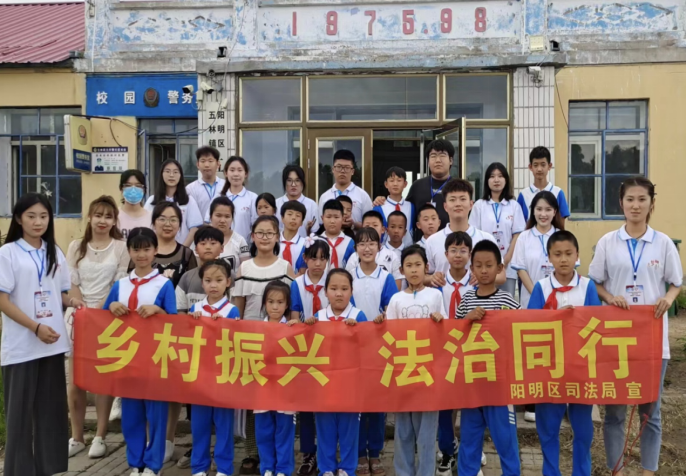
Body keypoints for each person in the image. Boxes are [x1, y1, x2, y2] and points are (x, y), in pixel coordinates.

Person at [588, 176, 683, 476]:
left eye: (642, 199)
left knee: (650, 412)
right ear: (621, 203)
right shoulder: (608, 242)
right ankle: (615, 469)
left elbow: (676, 283)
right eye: (630, 199)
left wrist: (668, 298)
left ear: (652, 203)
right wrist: (609, 297)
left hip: (652, 341)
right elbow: (595, 283)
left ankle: (648, 471)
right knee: (615, 412)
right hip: (616, 340)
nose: (636, 205)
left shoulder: (663, 243)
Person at [0, 193, 85, 475]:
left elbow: (59, 292)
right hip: (22, 346)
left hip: (52, 343)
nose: (38, 222)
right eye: (31, 216)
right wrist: (35, 327)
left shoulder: (53, 251)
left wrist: (72, 301)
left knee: (51, 414)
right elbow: (3, 300)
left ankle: (49, 469)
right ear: (18, 219)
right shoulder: (8, 253)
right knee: (20, 417)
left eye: (44, 216)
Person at [103, 227, 177, 476]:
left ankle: (154, 465)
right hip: (127, 359)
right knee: (131, 415)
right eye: (136, 249)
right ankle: (136, 463)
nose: (142, 254)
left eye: (147, 249)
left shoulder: (164, 284)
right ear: (129, 251)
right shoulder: (120, 285)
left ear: (155, 251)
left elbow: (175, 323)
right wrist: (111, 305)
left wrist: (158, 311)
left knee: (156, 415)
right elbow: (101, 320)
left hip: (155, 359)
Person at [527, 230, 600, 476]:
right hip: (550, 367)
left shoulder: (588, 286)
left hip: (581, 367)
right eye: (557, 254)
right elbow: (531, 325)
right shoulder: (541, 287)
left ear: (577, 255)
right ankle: (551, 472)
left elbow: (596, 324)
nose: (563, 259)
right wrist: (557, 318)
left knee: (583, 429)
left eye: (569, 253)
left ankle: (582, 472)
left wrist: (575, 321)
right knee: (548, 428)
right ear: (549, 257)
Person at [66, 196, 128, 459]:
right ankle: (77, 436)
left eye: (108, 216)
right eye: (98, 215)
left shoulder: (121, 247)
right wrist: (79, 305)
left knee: (103, 378)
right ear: (89, 217)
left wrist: (97, 312)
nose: (102, 221)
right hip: (77, 316)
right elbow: (71, 282)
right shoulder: (75, 246)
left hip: (106, 318)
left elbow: (118, 284)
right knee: (75, 381)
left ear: (114, 221)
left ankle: (100, 436)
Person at [233, 216, 295, 475]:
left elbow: (292, 305)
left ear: (277, 236)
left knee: (280, 407)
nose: (265, 237)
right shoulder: (244, 268)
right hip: (252, 344)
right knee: (256, 406)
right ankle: (255, 455)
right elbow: (238, 306)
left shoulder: (285, 266)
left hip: (281, 346)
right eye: (260, 232)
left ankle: (282, 464)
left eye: (270, 233)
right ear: (253, 236)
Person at [456, 240, 521, 476]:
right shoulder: (466, 300)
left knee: (505, 439)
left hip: (500, 384)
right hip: (472, 383)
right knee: (469, 438)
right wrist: (467, 319)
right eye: (479, 265)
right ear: (471, 268)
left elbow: (522, 331)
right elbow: (454, 335)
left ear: (500, 268)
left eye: (489, 265)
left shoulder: (508, 301)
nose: (484, 270)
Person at [382, 245, 445, 476]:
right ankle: (403, 472)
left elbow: (446, 329)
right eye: (409, 266)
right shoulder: (396, 299)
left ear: (426, 267)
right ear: (401, 270)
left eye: (418, 265)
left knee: (427, 431)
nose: (414, 270)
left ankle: (426, 472)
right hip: (404, 371)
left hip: (428, 371)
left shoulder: (436, 295)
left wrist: (440, 319)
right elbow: (389, 334)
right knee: (403, 430)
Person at [305, 269, 367, 476]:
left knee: (349, 430)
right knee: (325, 428)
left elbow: (368, 347)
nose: (339, 293)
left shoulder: (358, 316)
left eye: (344, 289)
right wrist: (306, 327)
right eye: (333, 288)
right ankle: (327, 468)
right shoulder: (318, 317)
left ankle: (347, 468)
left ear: (351, 291)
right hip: (324, 384)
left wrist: (358, 330)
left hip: (351, 385)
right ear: (325, 292)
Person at [172, 225, 225, 469]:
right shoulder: (187, 277)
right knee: (196, 408)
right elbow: (179, 313)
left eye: (213, 243)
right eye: (203, 243)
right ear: (196, 248)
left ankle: (221, 456)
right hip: (195, 355)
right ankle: (198, 453)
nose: (208, 247)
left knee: (221, 408)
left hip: (222, 356)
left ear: (222, 247)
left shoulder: (228, 276)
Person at [351, 228, 397, 476]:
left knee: (378, 404)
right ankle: (359, 453)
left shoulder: (386, 277)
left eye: (372, 244)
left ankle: (376, 453)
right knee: (357, 403)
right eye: (362, 244)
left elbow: (392, 308)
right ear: (356, 248)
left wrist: (384, 317)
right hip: (354, 347)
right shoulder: (349, 276)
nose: (367, 248)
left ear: (379, 248)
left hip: (380, 347)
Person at [188, 259, 239, 476]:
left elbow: (236, 341)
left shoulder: (231, 310)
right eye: (208, 280)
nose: (213, 285)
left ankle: (224, 468)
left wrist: (225, 325)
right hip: (200, 376)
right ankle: (199, 466)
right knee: (199, 425)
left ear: (228, 282)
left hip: (223, 375)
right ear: (202, 283)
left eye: (218, 280)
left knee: (223, 425)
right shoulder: (195, 309)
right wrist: (191, 321)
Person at [435, 231, 475, 476]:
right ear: (445, 254)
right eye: (453, 250)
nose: (458, 255)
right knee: (446, 403)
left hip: (471, 349)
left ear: (470, 254)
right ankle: (447, 448)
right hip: (444, 349)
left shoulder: (478, 282)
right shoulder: (437, 284)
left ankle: (471, 450)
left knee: (470, 402)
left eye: (463, 250)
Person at [289, 239, 330, 476]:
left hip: (328, 350)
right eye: (313, 258)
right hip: (305, 350)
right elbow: (294, 313)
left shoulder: (333, 281)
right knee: (305, 405)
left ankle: (326, 452)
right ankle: (308, 453)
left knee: (326, 403)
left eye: (323, 258)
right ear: (305, 259)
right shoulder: (296, 284)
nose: (317, 263)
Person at [255, 281, 299, 476]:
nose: (275, 307)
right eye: (271, 301)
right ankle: (267, 467)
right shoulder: (255, 329)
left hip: (285, 390)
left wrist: (298, 328)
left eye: (280, 302)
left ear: (287, 304)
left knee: (284, 431)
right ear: (264, 303)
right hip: (262, 389)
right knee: (263, 430)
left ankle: (283, 469)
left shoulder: (293, 328)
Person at [424, 179, 502, 286]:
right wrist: (431, 279)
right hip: (443, 296)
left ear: (471, 204)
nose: (458, 204)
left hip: (477, 296)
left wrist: (483, 277)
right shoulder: (432, 241)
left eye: (462, 199)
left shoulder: (486, 239)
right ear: (445, 206)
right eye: (452, 200)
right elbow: (422, 276)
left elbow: (501, 275)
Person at [469, 162, 526, 296]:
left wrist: (505, 260)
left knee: (505, 303)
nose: (496, 180)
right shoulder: (479, 205)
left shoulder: (514, 205)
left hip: (508, 267)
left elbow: (517, 236)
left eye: (500, 176)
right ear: (486, 181)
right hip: (484, 266)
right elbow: (473, 234)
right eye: (492, 176)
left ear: (506, 180)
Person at [374, 139, 454, 232]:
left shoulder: (458, 187)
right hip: (421, 240)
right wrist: (381, 200)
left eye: (442, 155)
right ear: (428, 161)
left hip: (451, 239)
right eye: (433, 156)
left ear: (451, 160)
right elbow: (403, 207)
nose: (438, 160)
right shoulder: (417, 186)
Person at [511, 190, 566, 310]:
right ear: (533, 211)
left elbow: (568, 268)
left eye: (548, 209)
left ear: (554, 211)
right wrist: (538, 295)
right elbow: (521, 270)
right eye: (539, 209)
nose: (543, 214)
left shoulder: (563, 237)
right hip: (531, 300)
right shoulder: (524, 237)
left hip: (559, 299)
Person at [144, 159, 203, 247]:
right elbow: (146, 227)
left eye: (175, 172)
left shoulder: (188, 200)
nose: (171, 175)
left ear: (180, 175)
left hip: (182, 248)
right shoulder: (152, 200)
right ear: (161, 174)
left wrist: (182, 250)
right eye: (167, 171)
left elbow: (194, 228)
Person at [345, 210, 402, 289]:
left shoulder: (392, 256)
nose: (371, 228)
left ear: (383, 229)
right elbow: (346, 283)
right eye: (367, 226)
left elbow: (396, 287)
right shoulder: (354, 257)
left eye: (375, 225)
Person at [318, 149, 373, 229]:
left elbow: (370, 226)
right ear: (333, 169)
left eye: (347, 168)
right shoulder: (324, 197)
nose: (342, 171)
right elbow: (321, 224)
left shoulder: (363, 196)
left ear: (352, 171)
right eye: (339, 167)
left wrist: (354, 225)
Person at [210, 156, 258, 242]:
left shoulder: (253, 198)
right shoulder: (218, 197)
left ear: (246, 174)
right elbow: (209, 222)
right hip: (219, 246)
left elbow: (256, 225)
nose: (236, 174)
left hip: (244, 246)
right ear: (226, 173)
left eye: (240, 170)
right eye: (232, 170)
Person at [150, 202, 198, 288]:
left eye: (173, 220)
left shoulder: (186, 254)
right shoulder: (144, 251)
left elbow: (193, 287)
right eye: (162, 219)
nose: (167, 224)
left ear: (179, 225)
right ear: (154, 223)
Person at [516, 146, 570, 222]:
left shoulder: (558, 192)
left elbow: (561, 225)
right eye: (535, 165)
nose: (539, 169)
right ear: (530, 167)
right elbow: (519, 223)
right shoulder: (523, 195)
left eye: (543, 165)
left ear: (549, 166)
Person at [208, 197, 250, 285]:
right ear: (210, 216)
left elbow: (246, 269)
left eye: (227, 216)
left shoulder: (240, 241)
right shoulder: (202, 239)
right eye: (218, 215)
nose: (222, 220)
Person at [373, 166, 414, 247]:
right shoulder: (378, 207)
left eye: (399, 180)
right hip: (385, 249)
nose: (395, 184)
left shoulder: (411, 206)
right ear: (386, 184)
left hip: (408, 249)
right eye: (392, 181)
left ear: (405, 184)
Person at [276, 164, 319, 238]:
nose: (293, 185)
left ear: (302, 182)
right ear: (284, 182)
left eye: (297, 180)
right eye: (289, 180)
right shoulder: (276, 204)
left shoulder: (312, 205)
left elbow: (315, 233)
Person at [186, 145, 225, 218]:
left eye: (210, 161)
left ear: (218, 164)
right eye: (203, 161)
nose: (206, 165)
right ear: (198, 164)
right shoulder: (190, 189)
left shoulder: (226, 186)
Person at [316, 200, 355, 269]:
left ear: (343, 219)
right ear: (322, 218)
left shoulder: (350, 242)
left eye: (336, 217)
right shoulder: (316, 241)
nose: (332, 221)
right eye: (328, 217)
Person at [118, 169, 152, 240]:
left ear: (144, 190)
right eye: (128, 185)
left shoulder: (152, 218)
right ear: (121, 189)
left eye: (138, 185)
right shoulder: (114, 216)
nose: (133, 189)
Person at [279, 200, 308, 274]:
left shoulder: (306, 244)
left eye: (298, 216)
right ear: (282, 218)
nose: (293, 218)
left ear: (301, 222)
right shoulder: (273, 242)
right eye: (290, 214)